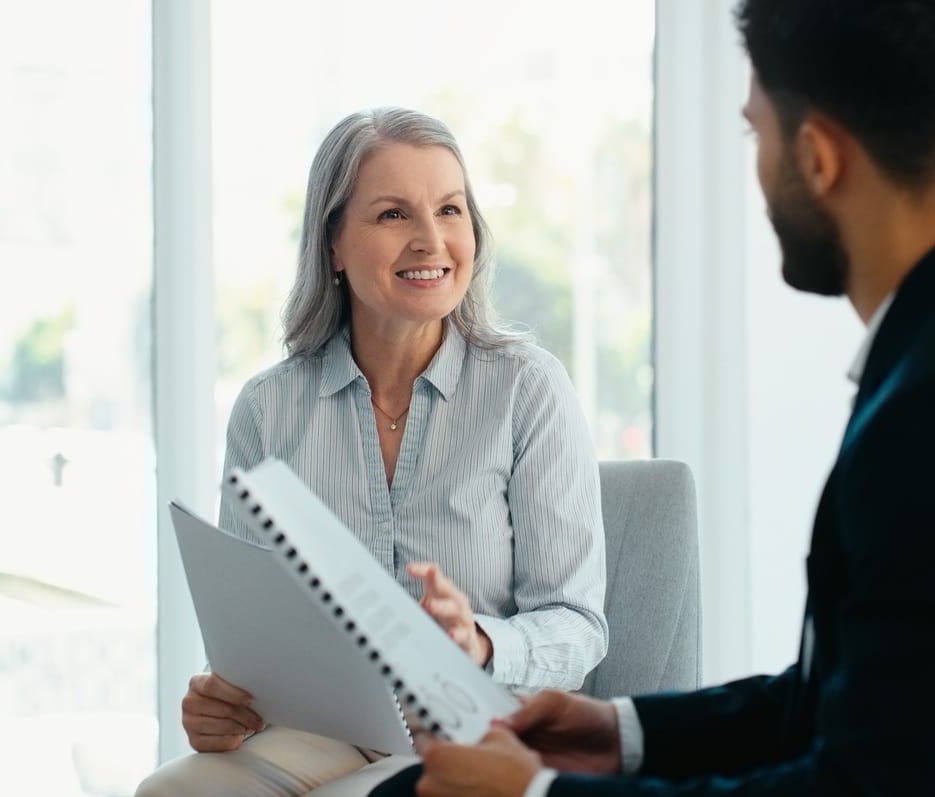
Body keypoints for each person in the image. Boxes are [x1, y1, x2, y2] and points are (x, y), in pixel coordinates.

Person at [376, 1, 935, 795]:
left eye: (754, 132)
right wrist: (622, 734)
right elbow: (867, 697)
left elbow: (859, 784)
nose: (758, 169)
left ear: (819, 158)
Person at [136, 107, 608, 797]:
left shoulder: (527, 390)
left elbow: (579, 625)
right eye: (393, 215)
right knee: (173, 791)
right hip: (322, 735)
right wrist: (222, 702)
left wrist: (478, 642)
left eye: (449, 209)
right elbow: (249, 636)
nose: (431, 239)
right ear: (333, 243)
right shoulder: (268, 409)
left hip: (478, 734)